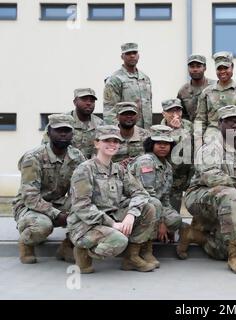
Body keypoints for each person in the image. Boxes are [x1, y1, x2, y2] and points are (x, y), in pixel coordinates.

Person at [178, 105, 236, 275]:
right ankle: (235, 255)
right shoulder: (210, 148)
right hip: (200, 197)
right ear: (220, 123)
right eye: (229, 121)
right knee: (230, 193)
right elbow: (212, 178)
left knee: (224, 250)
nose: (234, 125)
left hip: (230, 203)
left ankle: (194, 234)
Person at [68, 125, 158, 274]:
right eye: (107, 140)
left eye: (116, 141)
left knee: (149, 207)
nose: (112, 144)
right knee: (119, 241)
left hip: (112, 217)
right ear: (97, 143)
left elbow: (140, 193)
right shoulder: (85, 169)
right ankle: (83, 251)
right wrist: (112, 224)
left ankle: (131, 257)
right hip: (85, 225)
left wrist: (131, 214)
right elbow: (82, 207)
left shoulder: (119, 169)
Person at [12, 114, 85, 264]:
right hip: (29, 206)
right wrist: (57, 214)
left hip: (57, 202)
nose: (63, 133)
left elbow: (81, 188)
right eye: (58, 130)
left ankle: (67, 246)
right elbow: (30, 196)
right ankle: (27, 243)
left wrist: (76, 209)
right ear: (49, 132)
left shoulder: (76, 156)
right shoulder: (33, 157)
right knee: (42, 226)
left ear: (72, 133)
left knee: (88, 209)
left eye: (67, 130)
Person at [129, 125, 181, 258]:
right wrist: (161, 222)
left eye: (166, 143)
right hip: (138, 204)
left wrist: (167, 218)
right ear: (151, 144)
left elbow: (165, 198)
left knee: (175, 219)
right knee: (155, 208)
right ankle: (143, 247)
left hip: (155, 204)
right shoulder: (146, 161)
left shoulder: (167, 166)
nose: (163, 146)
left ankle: (153, 234)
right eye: (159, 143)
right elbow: (148, 195)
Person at [195, 51, 236, 143]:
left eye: (226, 68)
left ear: (232, 67)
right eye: (219, 69)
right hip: (213, 134)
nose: (222, 71)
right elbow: (200, 120)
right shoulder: (207, 92)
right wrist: (198, 142)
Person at [42, 88, 104, 159]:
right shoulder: (60, 121)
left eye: (92, 101)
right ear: (75, 102)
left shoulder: (100, 125)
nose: (88, 103)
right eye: (84, 99)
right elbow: (46, 147)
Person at [103, 43, 152, 129]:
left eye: (134, 53)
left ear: (138, 55)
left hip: (145, 131)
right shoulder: (115, 79)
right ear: (122, 57)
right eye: (128, 53)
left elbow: (148, 106)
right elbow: (109, 110)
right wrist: (115, 133)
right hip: (125, 131)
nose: (132, 56)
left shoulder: (145, 78)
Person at [160, 98, 194, 211]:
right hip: (172, 180)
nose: (175, 115)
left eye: (178, 111)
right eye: (171, 111)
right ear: (163, 113)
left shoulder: (189, 126)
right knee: (173, 213)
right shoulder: (159, 130)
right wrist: (176, 131)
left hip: (189, 174)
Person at [177, 54, 215, 122]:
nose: (195, 69)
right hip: (192, 129)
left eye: (198, 66)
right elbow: (181, 115)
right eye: (192, 67)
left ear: (205, 68)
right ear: (188, 68)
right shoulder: (183, 91)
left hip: (213, 128)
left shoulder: (214, 86)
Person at [112, 102, 151, 167]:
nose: (129, 116)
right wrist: (118, 165)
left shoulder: (146, 136)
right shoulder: (108, 135)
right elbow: (99, 161)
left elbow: (152, 159)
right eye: (125, 114)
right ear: (117, 117)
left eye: (132, 114)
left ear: (137, 117)